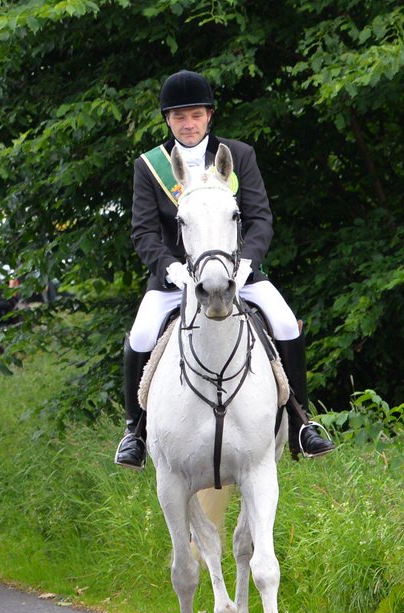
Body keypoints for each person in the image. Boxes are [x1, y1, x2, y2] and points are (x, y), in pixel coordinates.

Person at [115, 70, 335, 469]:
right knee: (141, 335)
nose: (188, 124)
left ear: (209, 115)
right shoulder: (150, 167)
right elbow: (144, 231)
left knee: (285, 324)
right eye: (179, 116)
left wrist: (246, 261)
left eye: (195, 115)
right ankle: (135, 430)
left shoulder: (238, 155)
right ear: (167, 119)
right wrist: (171, 269)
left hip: (237, 273)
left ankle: (302, 423)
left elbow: (260, 218)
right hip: (177, 278)